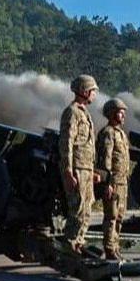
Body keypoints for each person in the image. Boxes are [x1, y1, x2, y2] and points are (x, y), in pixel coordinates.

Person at [58, 74, 99, 254]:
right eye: (92, 91)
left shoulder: (84, 113)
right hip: (77, 168)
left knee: (87, 209)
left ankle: (78, 243)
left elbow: (87, 145)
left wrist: (93, 170)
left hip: (86, 168)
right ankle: (70, 245)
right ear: (84, 91)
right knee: (78, 209)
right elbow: (67, 143)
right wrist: (68, 171)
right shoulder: (72, 112)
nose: (94, 94)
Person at [96, 98, 130, 260]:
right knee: (111, 216)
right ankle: (109, 250)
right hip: (113, 182)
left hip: (122, 182)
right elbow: (105, 160)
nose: (123, 115)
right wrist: (107, 183)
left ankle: (115, 248)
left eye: (123, 112)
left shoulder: (121, 134)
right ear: (111, 113)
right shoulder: (108, 133)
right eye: (119, 111)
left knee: (120, 218)